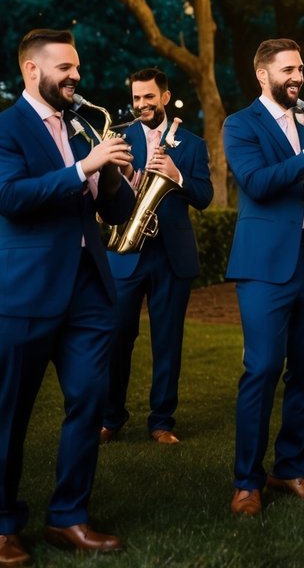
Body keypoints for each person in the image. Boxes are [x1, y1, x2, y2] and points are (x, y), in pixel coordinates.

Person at [0, 28, 135, 565]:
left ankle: (68, 517)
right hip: (26, 291)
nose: (75, 76)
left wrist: (116, 178)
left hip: (87, 290)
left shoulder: (81, 128)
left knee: (87, 403)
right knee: (10, 413)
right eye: (64, 67)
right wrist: (83, 168)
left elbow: (116, 213)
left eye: (77, 66)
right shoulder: (6, 128)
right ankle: (4, 525)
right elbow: (10, 198)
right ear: (32, 70)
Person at [223, 38, 304, 515]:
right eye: (287, 70)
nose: (297, 77)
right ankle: (247, 480)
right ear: (263, 75)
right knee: (261, 369)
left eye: (300, 68)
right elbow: (256, 183)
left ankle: (290, 468)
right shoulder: (240, 124)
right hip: (263, 264)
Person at [101, 67, 213, 445]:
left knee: (168, 340)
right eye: (136, 98)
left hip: (171, 254)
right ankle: (111, 416)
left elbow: (204, 196)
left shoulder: (193, 143)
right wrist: (124, 177)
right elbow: (101, 196)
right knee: (117, 336)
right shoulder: (118, 137)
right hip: (125, 252)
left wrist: (177, 174)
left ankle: (161, 420)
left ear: (165, 97)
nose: (142, 104)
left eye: (149, 97)